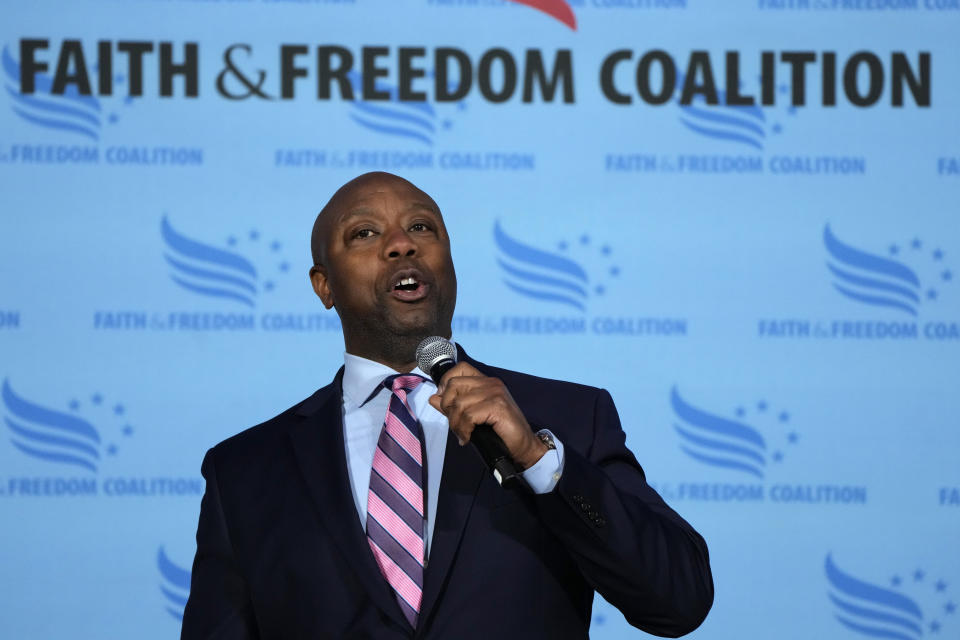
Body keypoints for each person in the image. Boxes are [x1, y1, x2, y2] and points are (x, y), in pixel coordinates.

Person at [181, 172, 713, 639]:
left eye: (422, 228)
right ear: (324, 285)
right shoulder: (245, 470)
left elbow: (679, 601)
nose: (400, 245)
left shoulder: (568, 418)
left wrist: (538, 461)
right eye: (364, 234)